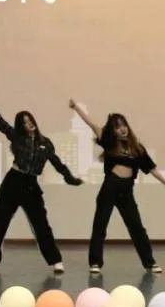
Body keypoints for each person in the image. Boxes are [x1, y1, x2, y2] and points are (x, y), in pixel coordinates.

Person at [0, 90, 83, 273]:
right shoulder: (17, 137)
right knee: (0, 222)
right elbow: (0, 123)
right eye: (25, 122)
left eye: (30, 120)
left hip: (31, 185)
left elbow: (57, 163)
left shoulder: (46, 143)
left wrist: (70, 178)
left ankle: (55, 260)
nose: (29, 124)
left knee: (41, 224)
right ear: (21, 126)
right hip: (13, 181)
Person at [69, 99, 163, 274]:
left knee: (136, 227)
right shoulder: (109, 142)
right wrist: (76, 108)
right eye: (118, 127)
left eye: (124, 125)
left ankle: (149, 263)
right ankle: (95, 263)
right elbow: (91, 123)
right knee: (100, 224)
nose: (122, 129)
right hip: (110, 187)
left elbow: (152, 169)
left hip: (126, 190)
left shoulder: (137, 148)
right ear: (113, 131)